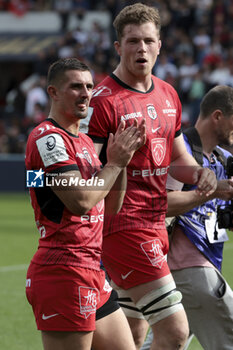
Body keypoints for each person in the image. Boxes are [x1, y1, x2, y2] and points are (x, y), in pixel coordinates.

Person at [87, 3, 217, 349]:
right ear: (118, 47)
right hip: (124, 228)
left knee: (132, 335)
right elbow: (92, 174)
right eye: (132, 41)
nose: (140, 48)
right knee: (175, 331)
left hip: (157, 224)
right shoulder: (103, 102)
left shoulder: (168, 93)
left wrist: (200, 172)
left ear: (160, 44)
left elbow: (178, 158)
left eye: (147, 40)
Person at [25, 57, 147, 350]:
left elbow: (112, 207)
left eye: (90, 86)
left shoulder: (83, 143)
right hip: (62, 268)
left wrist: (123, 163)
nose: (86, 93)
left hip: (92, 267)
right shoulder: (46, 138)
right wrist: (113, 163)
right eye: (75, 86)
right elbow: (80, 201)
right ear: (53, 92)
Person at [166, 85, 233, 350]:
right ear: (218, 116)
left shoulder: (221, 157)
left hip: (203, 262)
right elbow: (162, 205)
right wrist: (211, 191)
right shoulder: (180, 151)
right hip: (188, 267)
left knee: (169, 341)